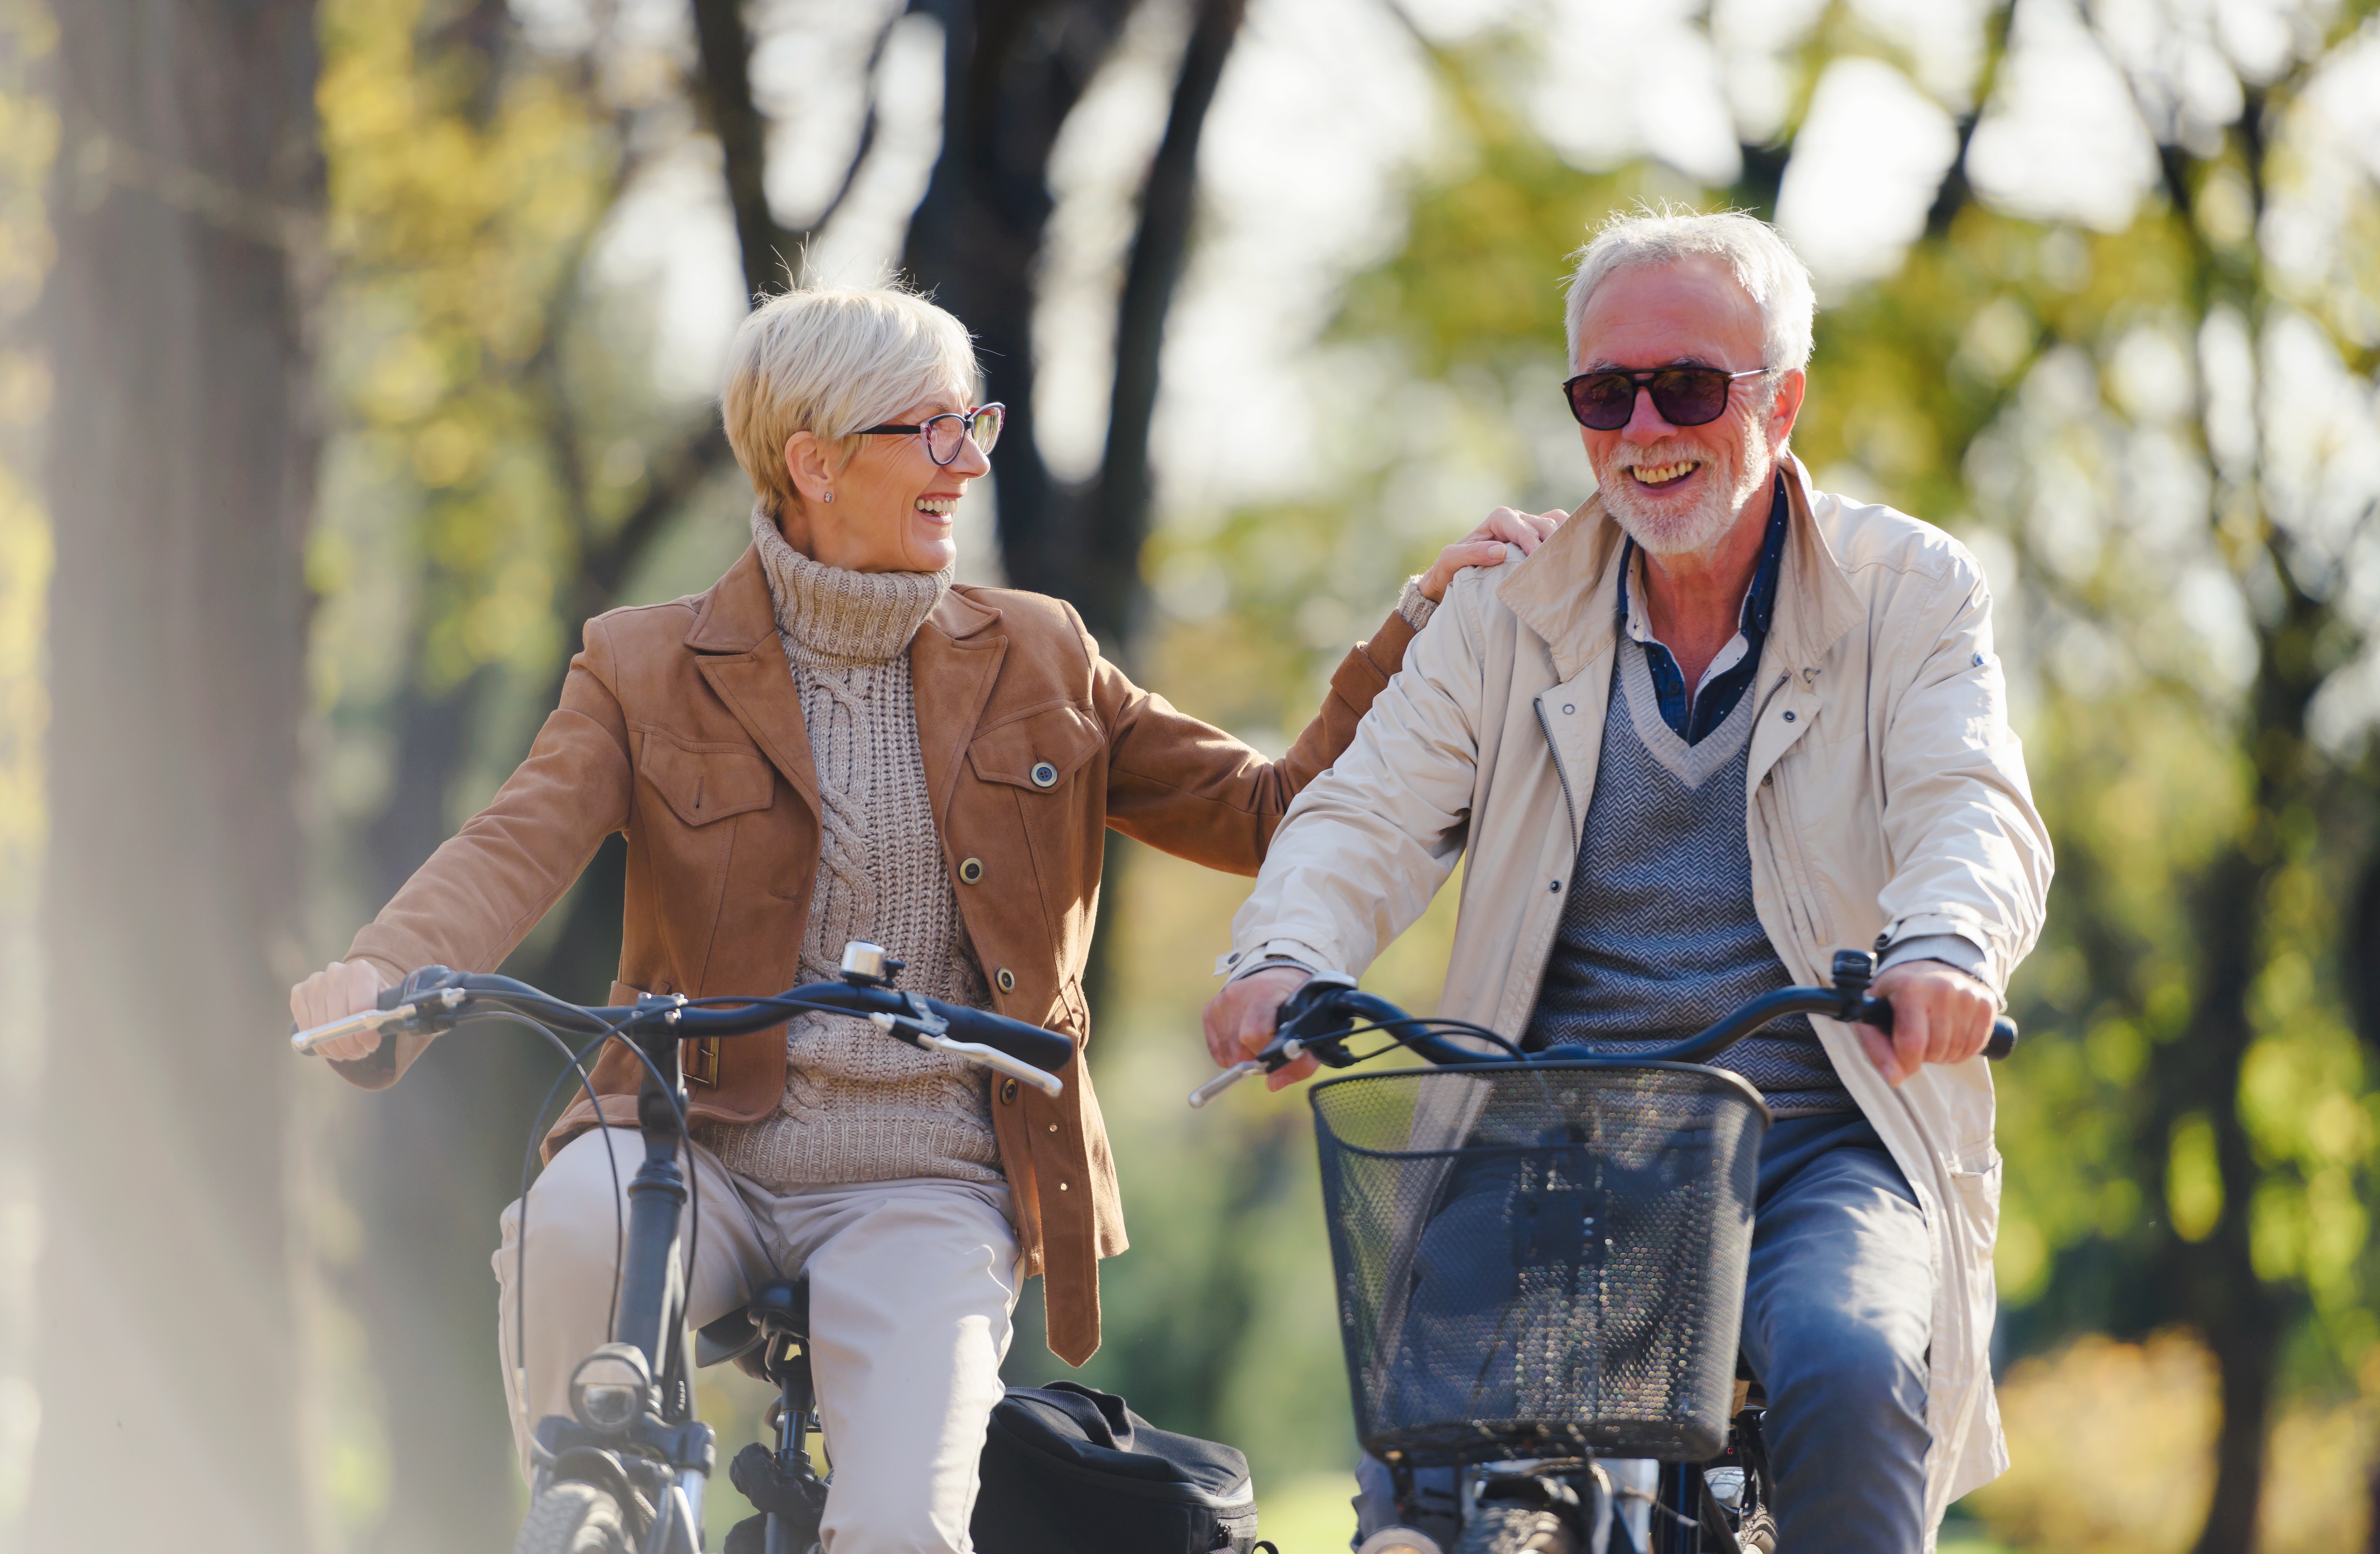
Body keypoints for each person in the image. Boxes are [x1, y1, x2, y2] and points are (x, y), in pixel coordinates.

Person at [290, 281, 1561, 1554]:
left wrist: (1412, 625)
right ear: (816, 460)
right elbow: (513, 845)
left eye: (977, 423)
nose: (968, 461)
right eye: (933, 430)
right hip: (691, 1141)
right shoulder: (643, 664)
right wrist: (384, 970)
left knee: (902, 1529)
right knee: (569, 1223)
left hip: (933, 1178)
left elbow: (1262, 806)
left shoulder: (1041, 654)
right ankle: (596, 1514)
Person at [1203, 208, 2052, 1550]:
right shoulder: (1507, 608)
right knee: (1426, 1470)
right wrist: (1278, 953)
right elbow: (1363, 811)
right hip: (1552, 1134)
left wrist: (1945, 944)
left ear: (1785, 399)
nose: (1646, 428)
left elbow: (1971, 801)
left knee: (1853, 1361)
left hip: (1821, 1130)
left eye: (1691, 387)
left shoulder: (1912, 591)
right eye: (1608, 393)